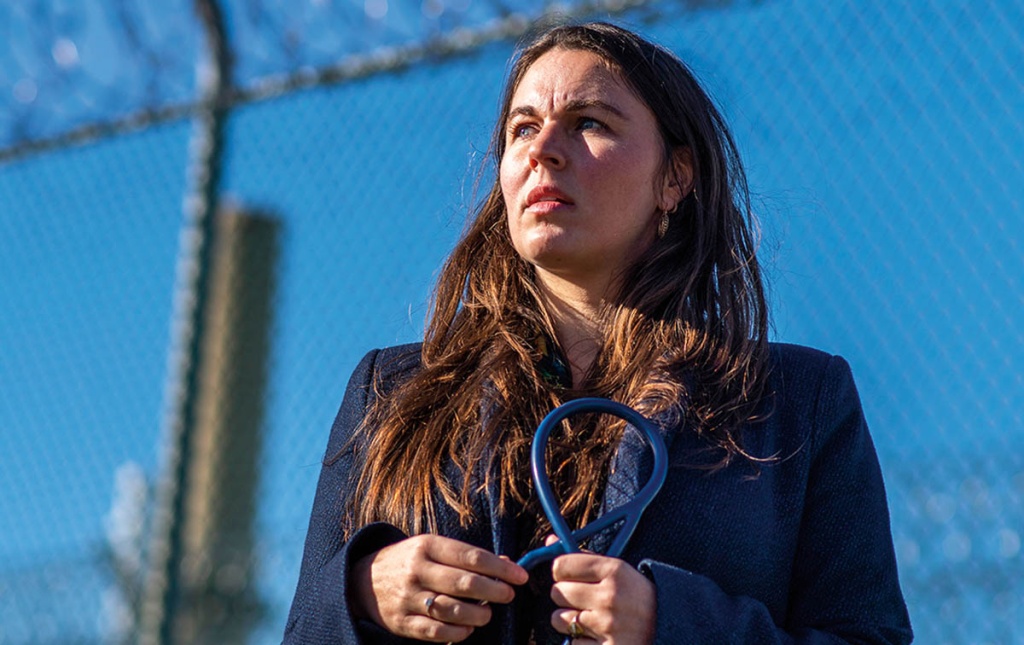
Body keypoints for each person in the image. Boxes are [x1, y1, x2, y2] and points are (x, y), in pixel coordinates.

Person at [283, 21, 912, 645]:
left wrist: (671, 625)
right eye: (523, 128)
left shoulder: (798, 401)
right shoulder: (387, 390)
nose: (542, 150)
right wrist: (361, 591)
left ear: (675, 178)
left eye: (589, 122)